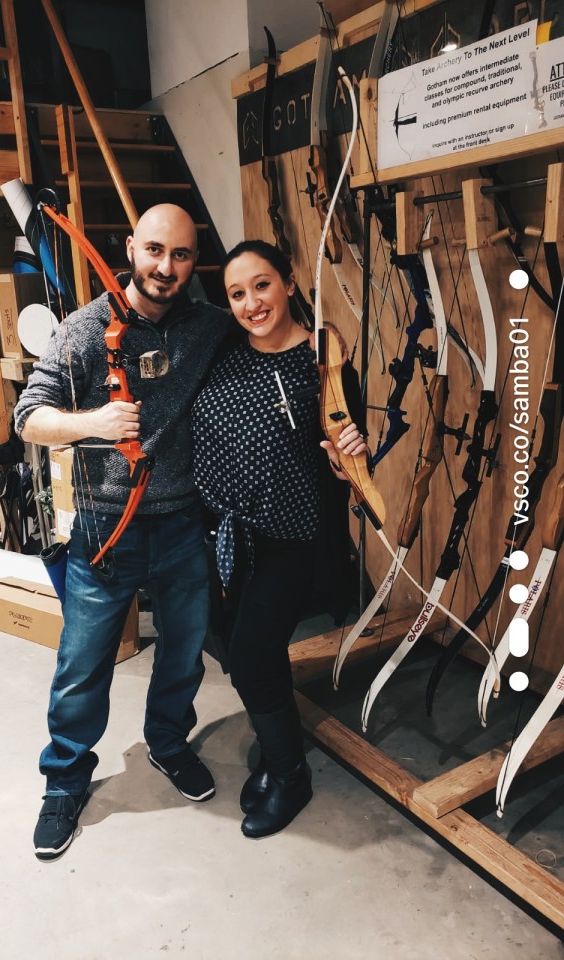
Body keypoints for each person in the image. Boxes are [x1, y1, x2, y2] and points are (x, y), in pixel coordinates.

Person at [14, 204, 230, 861]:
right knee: (83, 666)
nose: (166, 267)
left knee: (183, 651)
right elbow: (29, 416)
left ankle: (167, 744)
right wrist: (93, 424)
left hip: (182, 523)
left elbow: (274, 344)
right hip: (107, 528)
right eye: (155, 250)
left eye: (182, 255)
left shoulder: (209, 326)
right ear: (131, 246)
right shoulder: (84, 330)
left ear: (196, 262)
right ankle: (64, 784)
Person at [191, 239, 367, 839]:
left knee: (249, 658)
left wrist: (351, 457)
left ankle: (290, 775)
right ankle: (276, 745)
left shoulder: (324, 363)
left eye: (261, 285)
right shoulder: (224, 352)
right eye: (237, 293)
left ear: (289, 283)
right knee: (239, 649)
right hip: (235, 534)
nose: (250, 303)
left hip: (297, 537)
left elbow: (349, 446)